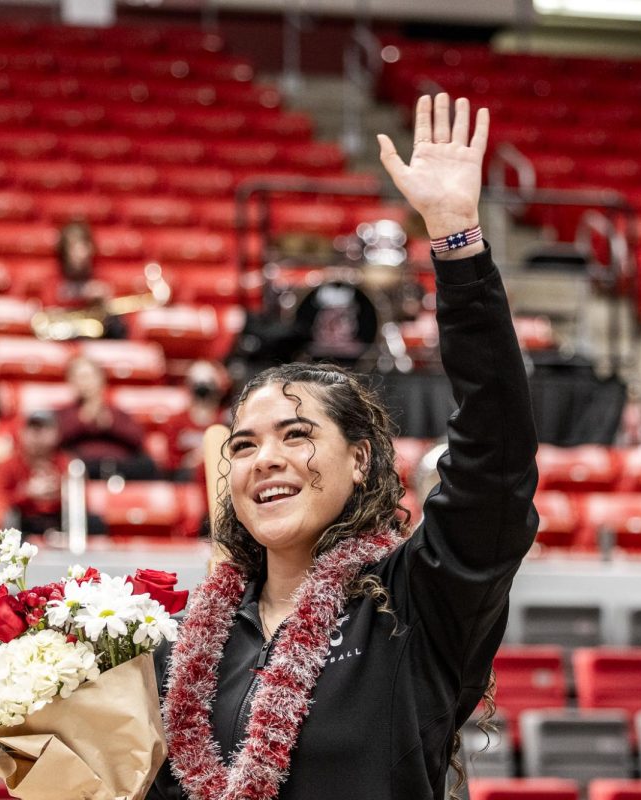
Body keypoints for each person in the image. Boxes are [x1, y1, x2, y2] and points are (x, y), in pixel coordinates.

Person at [149, 95, 537, 800]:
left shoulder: (417, 602)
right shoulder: (185, 644)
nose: (265, 457)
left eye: (297, 435)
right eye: (244, 445)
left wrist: (455, 240)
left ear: (361, 459)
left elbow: (497, 459)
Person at [56, 356, 156, 480]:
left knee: (148, 465)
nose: (85, 383)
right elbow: (56, 438)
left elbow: (138, 438)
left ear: (101, 379)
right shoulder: (64, 413)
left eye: (88, 377)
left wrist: (110, 423)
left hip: (121, 466)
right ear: (70, 381)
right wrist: (83, 420)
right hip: (84, 465)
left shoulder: (117, 413)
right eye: (79, 377)